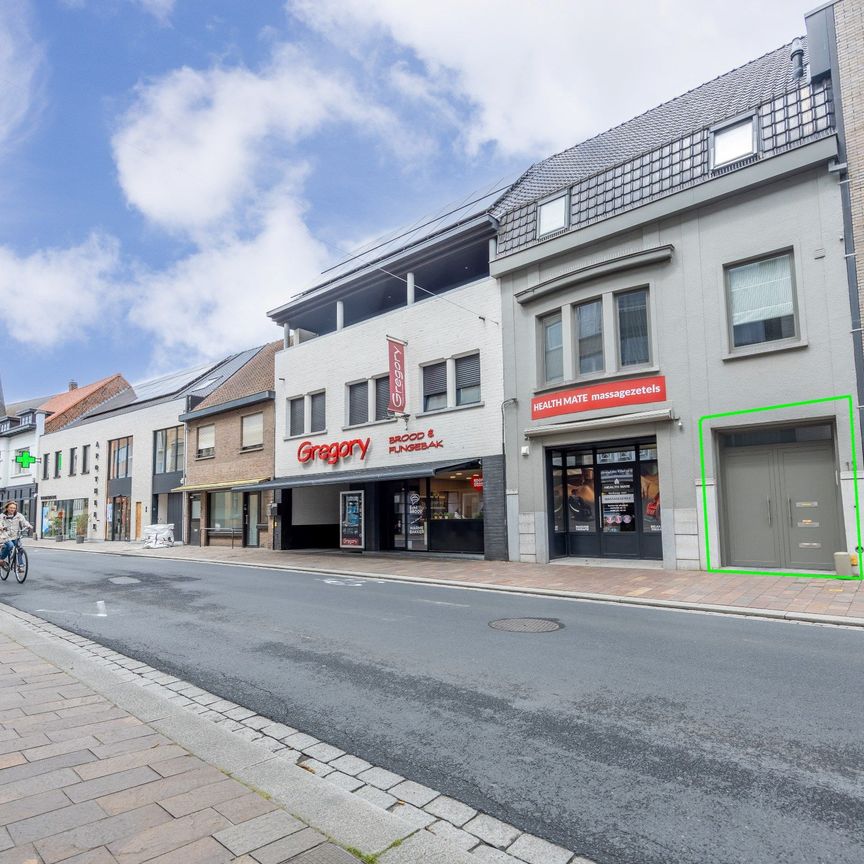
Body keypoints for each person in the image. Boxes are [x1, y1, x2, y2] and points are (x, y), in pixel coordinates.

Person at [0, 502, 32, 571]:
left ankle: (20, 566)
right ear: (7, 508)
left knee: (20, 548)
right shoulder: (2, 516)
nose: (12, 509)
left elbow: (24, 522)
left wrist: (28, 525)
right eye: (11, 508)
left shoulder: (18, 515)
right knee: (10, 545)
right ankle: (1, 560)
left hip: (15, 535)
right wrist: (1, 527)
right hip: (5, 536)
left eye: (14, 508)